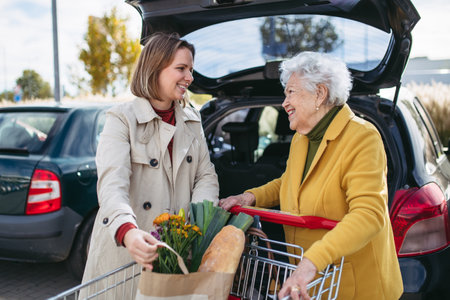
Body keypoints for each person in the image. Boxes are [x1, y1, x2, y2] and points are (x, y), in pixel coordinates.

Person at [219, 51, 402, 300]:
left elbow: (369, 215)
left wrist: (311, 262)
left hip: (354, 285)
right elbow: (290, 182)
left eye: (291, 92)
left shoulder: (362, 137)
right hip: (313, 281)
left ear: (320, 93)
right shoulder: (302, 138)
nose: (284, 103)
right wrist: (250, 197)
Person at [81, 32, 219, 292]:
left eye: (190, 69)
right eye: (181, 68)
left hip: (175, 252)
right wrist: (128, 231)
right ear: (155, 68)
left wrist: (196, 229)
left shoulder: (192, 119)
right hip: (125, 256)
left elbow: (205, 176)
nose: (189, 78)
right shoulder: (121, 118)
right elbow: (112, 184)